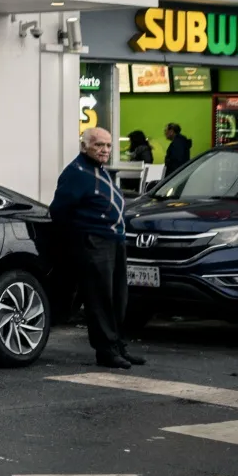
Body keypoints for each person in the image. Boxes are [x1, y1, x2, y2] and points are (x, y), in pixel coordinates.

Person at [51, 126, 143, 369]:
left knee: (118, 297)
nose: (105, 150)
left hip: (114, 240)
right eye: (99, 145)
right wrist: (79, 237)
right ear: (85, 146)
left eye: (108, 145)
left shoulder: (99, 170)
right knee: (100, 299)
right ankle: (106, 351)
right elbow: (59, 210)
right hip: (94, 242)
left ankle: (118, 345)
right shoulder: (76, 172)